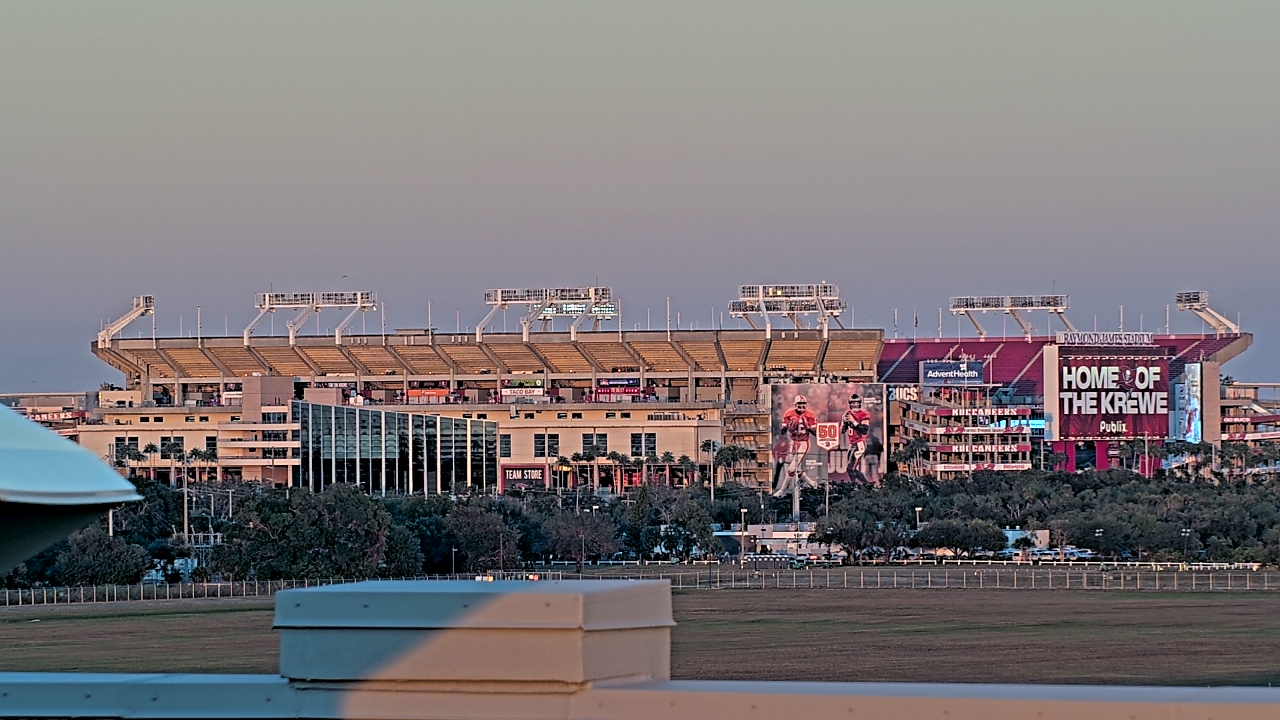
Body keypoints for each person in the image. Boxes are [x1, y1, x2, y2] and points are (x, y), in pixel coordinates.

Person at [775, 394, 818, 497]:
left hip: (804, 443)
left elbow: (816, 433)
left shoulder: (810, 414)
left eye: (803, 403)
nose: (802, 405)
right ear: (795, 404)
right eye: (799, 403)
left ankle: (782, 490)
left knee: (791, 469)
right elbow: (782, 431)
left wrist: (807, 426)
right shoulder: (788, 413)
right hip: (793, 443)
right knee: (797, 470)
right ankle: (813, 484)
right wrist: (789, 426)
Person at [841, 394, 872, 483]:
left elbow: (864, 430)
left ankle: (853, 487)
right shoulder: (848, 413)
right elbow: (842, 431)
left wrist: (853, 421)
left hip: (859, 444)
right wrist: (843, 422)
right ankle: (866, 485)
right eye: (853, 403)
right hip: (852, 444)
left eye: (856, 403)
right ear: (850, 404)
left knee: (850, 468)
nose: (855, 405)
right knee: (850, 469)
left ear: (859, 404)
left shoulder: (864, 414)